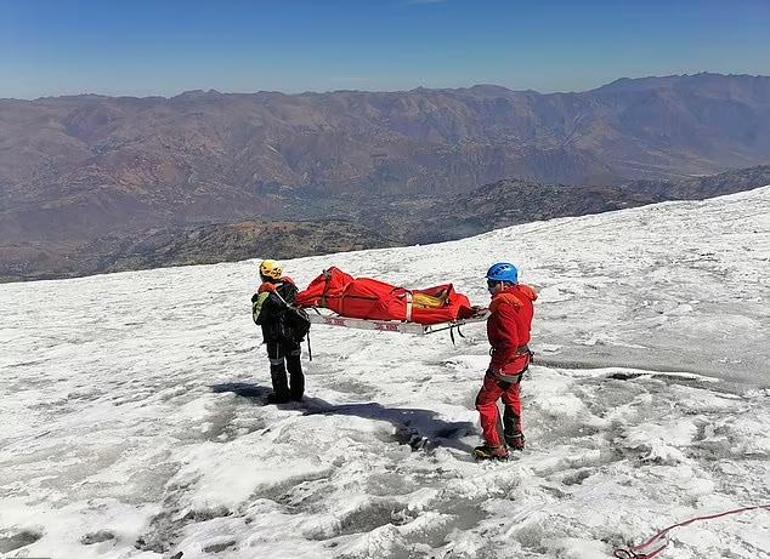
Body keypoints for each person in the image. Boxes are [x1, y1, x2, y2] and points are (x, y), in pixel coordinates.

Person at [473, 262, 538, 460]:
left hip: (508, 361)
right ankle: (514, 436)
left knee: (485, 402)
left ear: (503, 284)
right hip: (522, 357)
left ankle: (495, 447)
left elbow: (509, 341)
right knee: (511, 396)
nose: (489, 288)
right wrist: (489, 310)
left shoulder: (503, 306)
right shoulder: (522, 297)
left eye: (492, 284)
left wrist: (498, 364)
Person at [251, 259, 309, 404]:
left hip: (275, 337)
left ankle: (281, 396)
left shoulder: (265, 293)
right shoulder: (291, 287)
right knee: (295, 366)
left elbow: (258, 318)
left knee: (277, 366)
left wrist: (255, 303)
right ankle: (297, 395)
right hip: (294, 335)